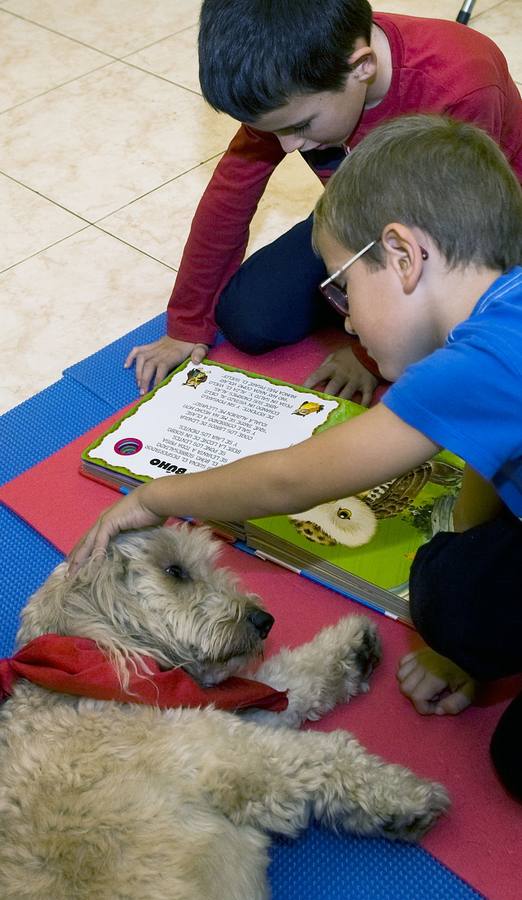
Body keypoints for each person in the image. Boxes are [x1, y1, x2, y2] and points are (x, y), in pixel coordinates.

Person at [71, 115, 522, 799]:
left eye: (343, 287)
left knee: (455, 615)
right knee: (461, 575)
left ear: (402, 256)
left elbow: (291, 478)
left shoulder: (474, 362)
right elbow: (492, 464)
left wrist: (154, 496)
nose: (345, 321)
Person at [125, 0, 522, 405]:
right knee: (249, 318)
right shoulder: (290, 79)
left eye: (299, 127)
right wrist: (187, 324)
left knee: (473, 346)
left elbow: (446, 241)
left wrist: (367, 357)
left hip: (475, 230)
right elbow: (229, 198)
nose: (288, 145)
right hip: (366, 216)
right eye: (275, 131)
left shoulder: (460, 81)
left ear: (362, 67)